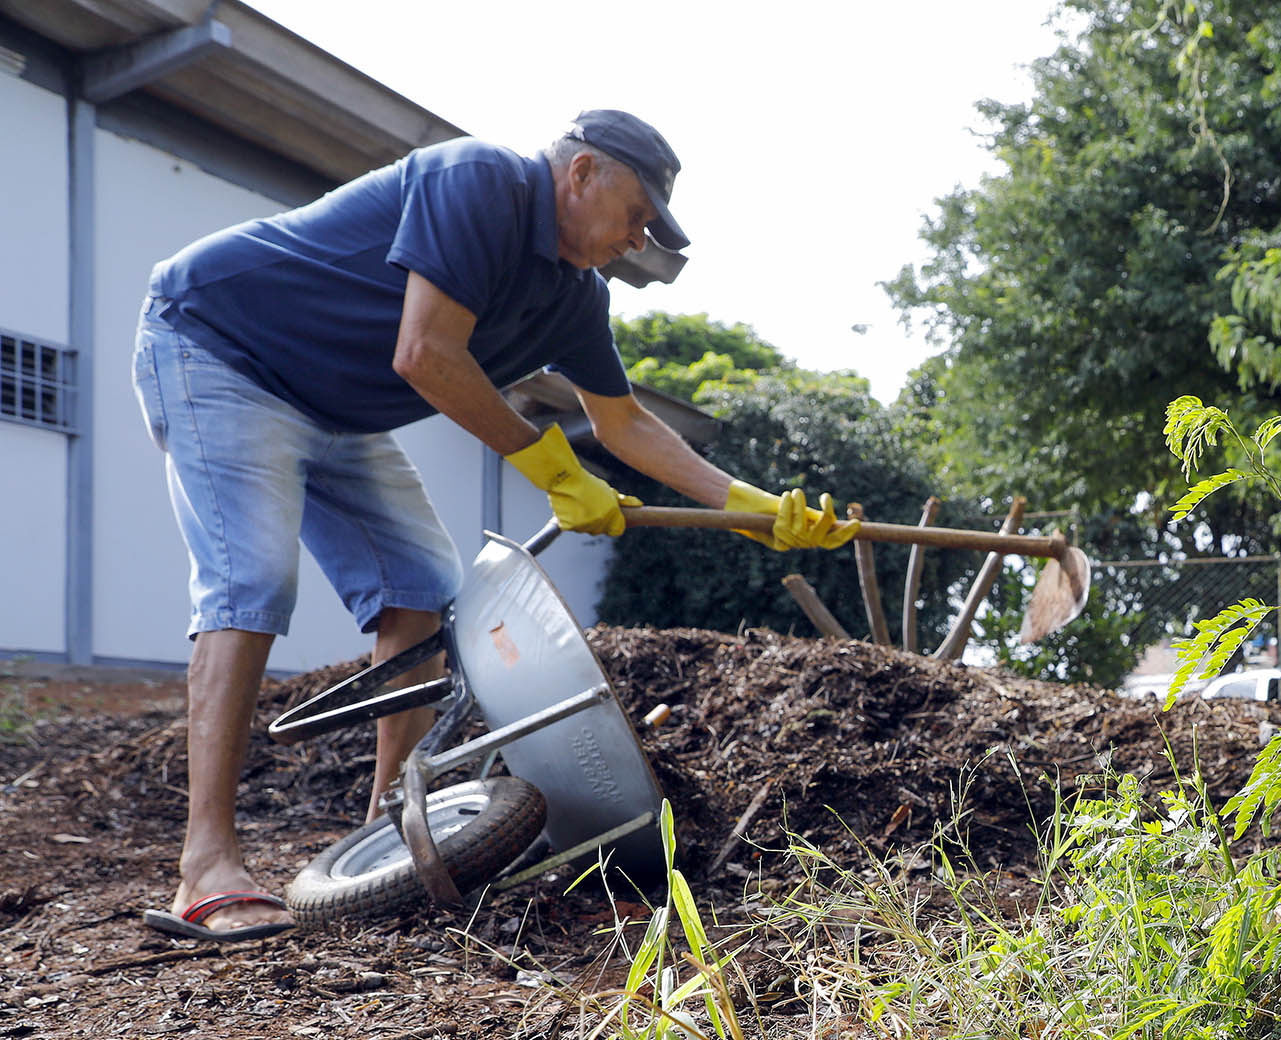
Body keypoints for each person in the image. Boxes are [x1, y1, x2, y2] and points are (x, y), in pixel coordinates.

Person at [132, 110, 855, 943]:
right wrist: (551, 467)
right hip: (221, 348)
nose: (636, 239)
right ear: (582, 174)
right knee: (253, 576)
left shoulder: (574, 295)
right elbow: (425, 354)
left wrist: (752, 508)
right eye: (636, 214)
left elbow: (625, 425)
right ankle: (205, 864)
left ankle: (386, 837)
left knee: (424, 590)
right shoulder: (476, 180)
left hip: (332, 408)